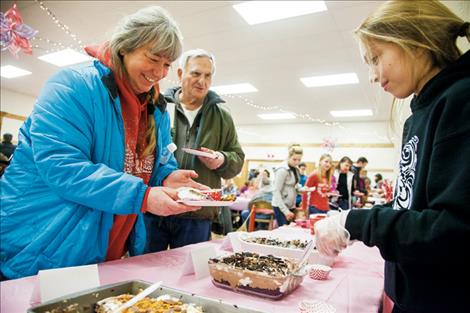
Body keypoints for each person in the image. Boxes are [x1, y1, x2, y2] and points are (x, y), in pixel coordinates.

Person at [0, 6, 206, 280]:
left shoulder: (155, 107)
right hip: (42, 241)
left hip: (104, 250)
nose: (159, 72)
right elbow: (63, 167)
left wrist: (168, 178)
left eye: (167, 64)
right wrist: (142, 196)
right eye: (154, 58)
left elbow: (152, 166)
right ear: (125, 48)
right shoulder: (72, 87)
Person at [314, 1, 470, 312]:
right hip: (412, 294)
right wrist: (351, 223)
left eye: (375, 58)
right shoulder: (419, 115)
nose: (372, 76)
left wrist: (358, 221)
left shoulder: (460, 100)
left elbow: (452, 230)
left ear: (413, 41)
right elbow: (412, 204)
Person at [144, 49, 244, 251]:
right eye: (196, 74)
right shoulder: (157, 106)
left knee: (188, 277)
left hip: (197, 215)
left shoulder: (222, 116)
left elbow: (237, 160)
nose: (202, 81)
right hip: (157, 206)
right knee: (146, 270)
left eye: (208, 76)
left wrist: (222, 159)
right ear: (180, 74)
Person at [272, 144, 303, 226]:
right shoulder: (282, 170)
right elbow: (276, 191)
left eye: (299, 160)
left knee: (290, 230)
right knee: (284, 231)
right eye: (294, 159)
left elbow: (294, 185)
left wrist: (303, 189)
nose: (297, 162)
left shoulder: (295, 169)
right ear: (288, 157)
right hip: (281, 206)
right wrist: (285, 211)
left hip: (290, 204)